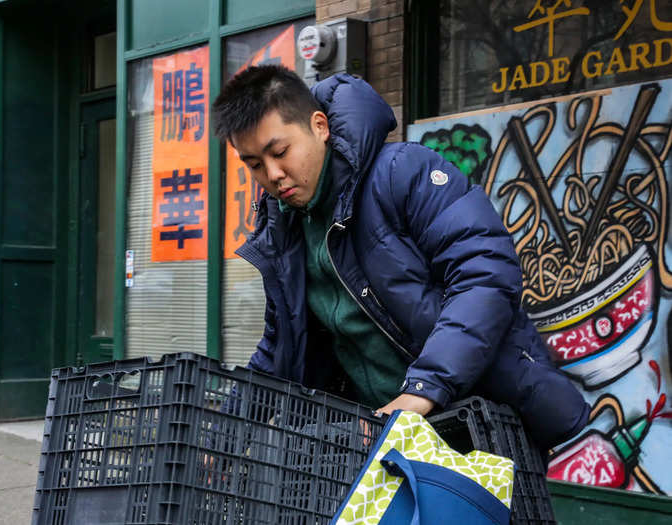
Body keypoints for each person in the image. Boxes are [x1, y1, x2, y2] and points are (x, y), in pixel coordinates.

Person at [212, 65, 589, 450]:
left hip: (476, 426)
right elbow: (281, 346)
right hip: (384, 442)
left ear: (320, 126)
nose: (273, 174)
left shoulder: (402, 172)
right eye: (254, 164)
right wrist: (220, 438)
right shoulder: (284, 229)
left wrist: (423, 390)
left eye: (280, 152)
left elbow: (485, 275)